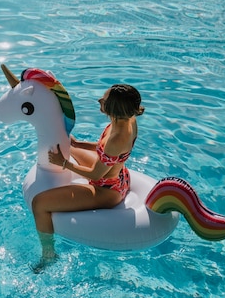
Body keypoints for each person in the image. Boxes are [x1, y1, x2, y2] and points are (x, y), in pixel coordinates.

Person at [30, 84, 144, 272]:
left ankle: (49, 255)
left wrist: (63, 164)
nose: (100, 100)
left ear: (114, 108)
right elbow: (106, 152)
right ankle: (72, 147)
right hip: (119, 176)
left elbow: (95, 174)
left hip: (106, 190)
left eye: (104, 100)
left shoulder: (116, 139)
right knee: (69, 146)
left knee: (39, 204)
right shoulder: (128, 119)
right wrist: (78, 144)